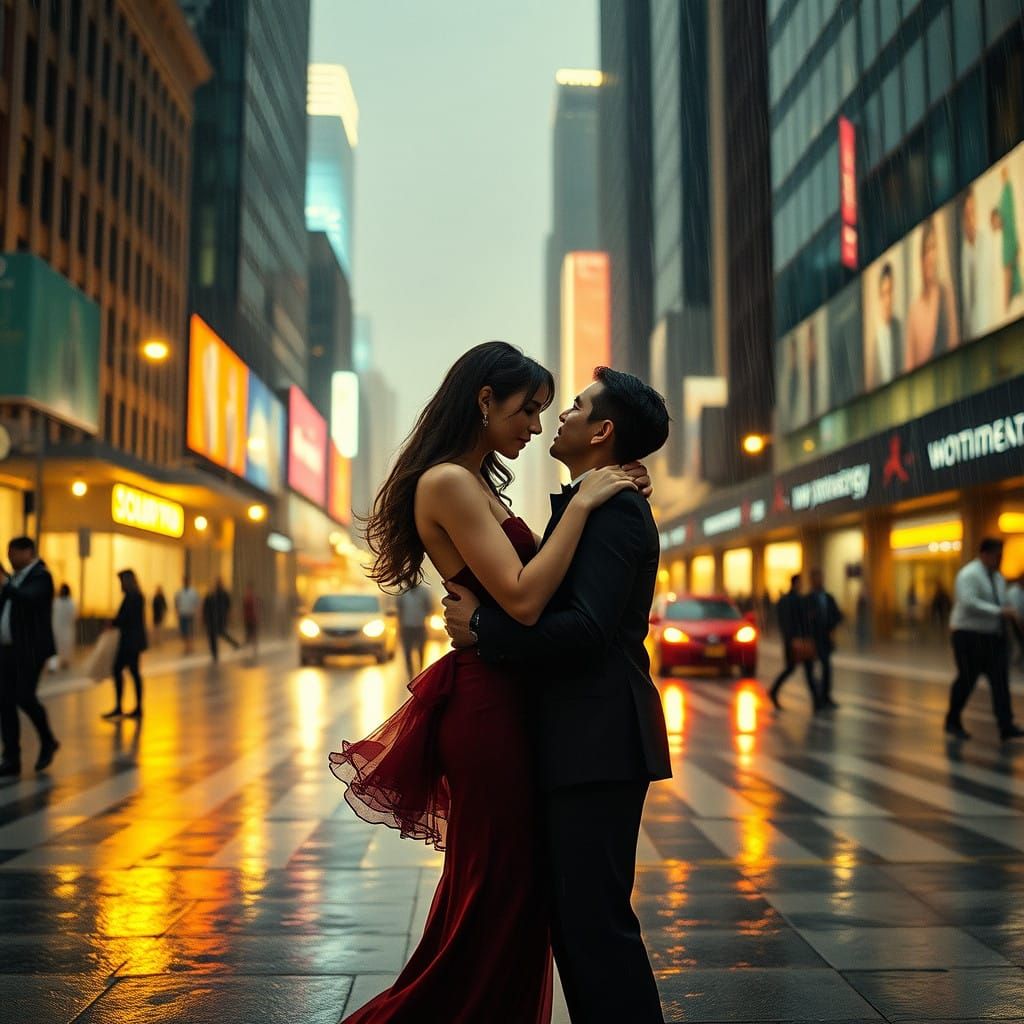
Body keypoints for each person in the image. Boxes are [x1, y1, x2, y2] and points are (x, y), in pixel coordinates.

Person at [327, 343, 654, 1023]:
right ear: (484, 400)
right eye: (528, 408)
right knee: (496, 893)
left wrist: (593, 500)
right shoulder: (448, 482)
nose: (536, 425)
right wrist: (587, 504)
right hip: (487, 704)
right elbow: (527, 600)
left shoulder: (477, 484)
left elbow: (543, 598)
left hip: (508, 695)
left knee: (504, 893)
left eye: (547, 410)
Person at [443, 367, 672, 1024]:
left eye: (573, 407)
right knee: (578, 923)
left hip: (598, 743)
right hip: (581, 741)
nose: (558, 418)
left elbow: (590, 629)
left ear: (602, 431)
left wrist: (482, 629)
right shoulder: (597, 504)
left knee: (595, 926)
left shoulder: (616, 511)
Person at [944, 538, 1024, 742]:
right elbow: (968, 602)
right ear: (984, 554)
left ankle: (1006, 725)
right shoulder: (969, 574)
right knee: (967, 680)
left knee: (1000, 681)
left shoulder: (997, 577)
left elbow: (1003, 600)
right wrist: (999, 612)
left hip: (992, 636)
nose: (999, 559)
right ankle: (952, 720)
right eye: (997, 555)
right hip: (969, 635)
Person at [0, 537, 59, 776]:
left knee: (24, 696)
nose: (11, 558)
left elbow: (29, 599)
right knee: (4, 702)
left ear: (28, 553)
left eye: (13, 554)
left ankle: (48, 740)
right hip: (7, 649)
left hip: (31, 650)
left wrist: (6, 584)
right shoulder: (14, 578)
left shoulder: (41, 576)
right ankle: (11, 757)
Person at [905, 217, 960, 370]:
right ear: (921, 257)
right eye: (927, 250)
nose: (931, 257)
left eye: (934, 248)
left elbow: (954, 348)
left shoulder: (946, 294)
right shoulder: (914, 311)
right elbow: (909, 368)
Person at [768, 574, 819, 711]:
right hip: (797, 641)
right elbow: (795, 622)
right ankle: (774, 691)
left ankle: (817, 701)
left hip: (794, 640)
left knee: (799, 670)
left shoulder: (788, 600)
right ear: (796, 583)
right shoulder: (794, 600)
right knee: (798, 669)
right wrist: (793, 638)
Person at [102, 569, 147, 720]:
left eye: (121, 581)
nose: (120, 585)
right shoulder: (136, 596)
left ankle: (123, 707)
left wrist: (113, 622)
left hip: (130, 642)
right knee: (133, 673)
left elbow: (126, 618)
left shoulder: (133, 597)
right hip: (132, 641)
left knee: (120, 670)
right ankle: (135, 707)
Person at [806, 568, 843, 710]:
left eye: (821, 577)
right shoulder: (808, 599)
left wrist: (831, 626)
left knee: (826, 667)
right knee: (811, 670)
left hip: (826, 638)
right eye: (817, 578)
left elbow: (837, 615)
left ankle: (826, 696)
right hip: (813, 639)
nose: (819, 581)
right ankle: (817, 697)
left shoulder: (828, 597)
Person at [867, 262, 904, 389]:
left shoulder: (899, 328)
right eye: (884, 293)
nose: (888, 300)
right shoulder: (873, 337)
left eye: (890, 291)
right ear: (879, 296)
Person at [996, 165, 1022, 313]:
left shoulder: (1008, 192)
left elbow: (1009, 217)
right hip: (1008, 243)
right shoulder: (1003, 196)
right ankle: (1006, 310)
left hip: (1011, 242)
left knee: (1012, 274)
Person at [396, 581, 432, 677]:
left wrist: (423, 616)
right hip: (407, 627)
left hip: (420, 626)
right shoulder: (402, 593)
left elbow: (429, 607)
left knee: (421, 650)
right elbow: (399, 610)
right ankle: (410, 675)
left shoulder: (423, 592)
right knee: (407, 652)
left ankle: (420, 673)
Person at [202, 579, 238, 662]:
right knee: (214, 636)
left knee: (220, 634)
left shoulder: (223, 595)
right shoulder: (210, 596)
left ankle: (216, 652)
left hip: (219, 619)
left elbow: (228, 606)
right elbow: (205, 608)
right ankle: (215, 653)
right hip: (212, 620)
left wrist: (229, 616)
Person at [49, 583, 77, 672]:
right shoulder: (67, 602)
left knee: (58, 647)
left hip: (61, 628)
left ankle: (58, 664)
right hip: (62, 628)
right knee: (60, 647)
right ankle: (58, 664)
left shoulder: (58, 602)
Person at [174, 578, 200, 654]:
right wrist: (177, 611)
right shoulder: (179, 592)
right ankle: (186, 645)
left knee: (190, 631)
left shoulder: (193, 592)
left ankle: (190, 645)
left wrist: (197, 612)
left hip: (190, 614)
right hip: (183, 614)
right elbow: (176, 602)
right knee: (184, 631)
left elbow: (197, 602)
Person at [1008, 573, 1024, 670]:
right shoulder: (1013, 592)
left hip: (1020, 621)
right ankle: (1017, 663)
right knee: (1018, 644)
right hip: (1015, 623)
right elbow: (1015, 611)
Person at [242, 582, 261, 655]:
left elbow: (257, 608)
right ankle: (248, 648)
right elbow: (244, 609)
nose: (248, 590)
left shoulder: (254, 598)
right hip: (248, 619)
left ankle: (254, 648)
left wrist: (256, 617)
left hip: (253, 619)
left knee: (253, 634)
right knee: (248, 634)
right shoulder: (246, 598)